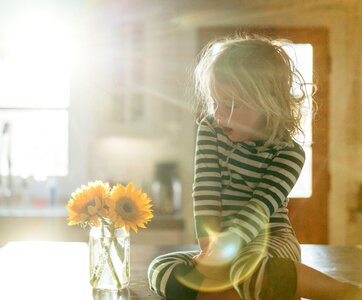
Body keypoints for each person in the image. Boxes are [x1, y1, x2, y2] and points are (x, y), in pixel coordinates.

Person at [147, 33, 362, 300]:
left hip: (271, 241)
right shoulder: (210, 129)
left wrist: (225, 254)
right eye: (215, 102)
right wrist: (209, 248)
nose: (220, 113)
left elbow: (259, 209)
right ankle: (261, 290)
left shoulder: (289, 153)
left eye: (230, 105)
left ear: (268, 104)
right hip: (220, 247)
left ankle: (343, 292)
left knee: (247, 270)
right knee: (160, 268)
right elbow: (205, 190)